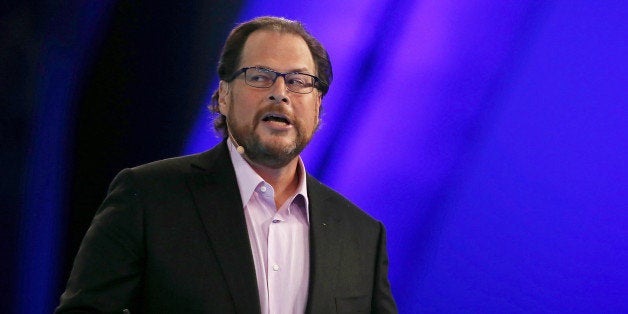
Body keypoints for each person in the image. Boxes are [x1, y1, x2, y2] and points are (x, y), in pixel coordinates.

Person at [56, 16, 397, 313]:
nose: (280, 93)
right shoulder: (147, 197)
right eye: (260, 76)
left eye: (297, 81)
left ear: (317, 104)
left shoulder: (363, 235)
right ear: (223, 96)